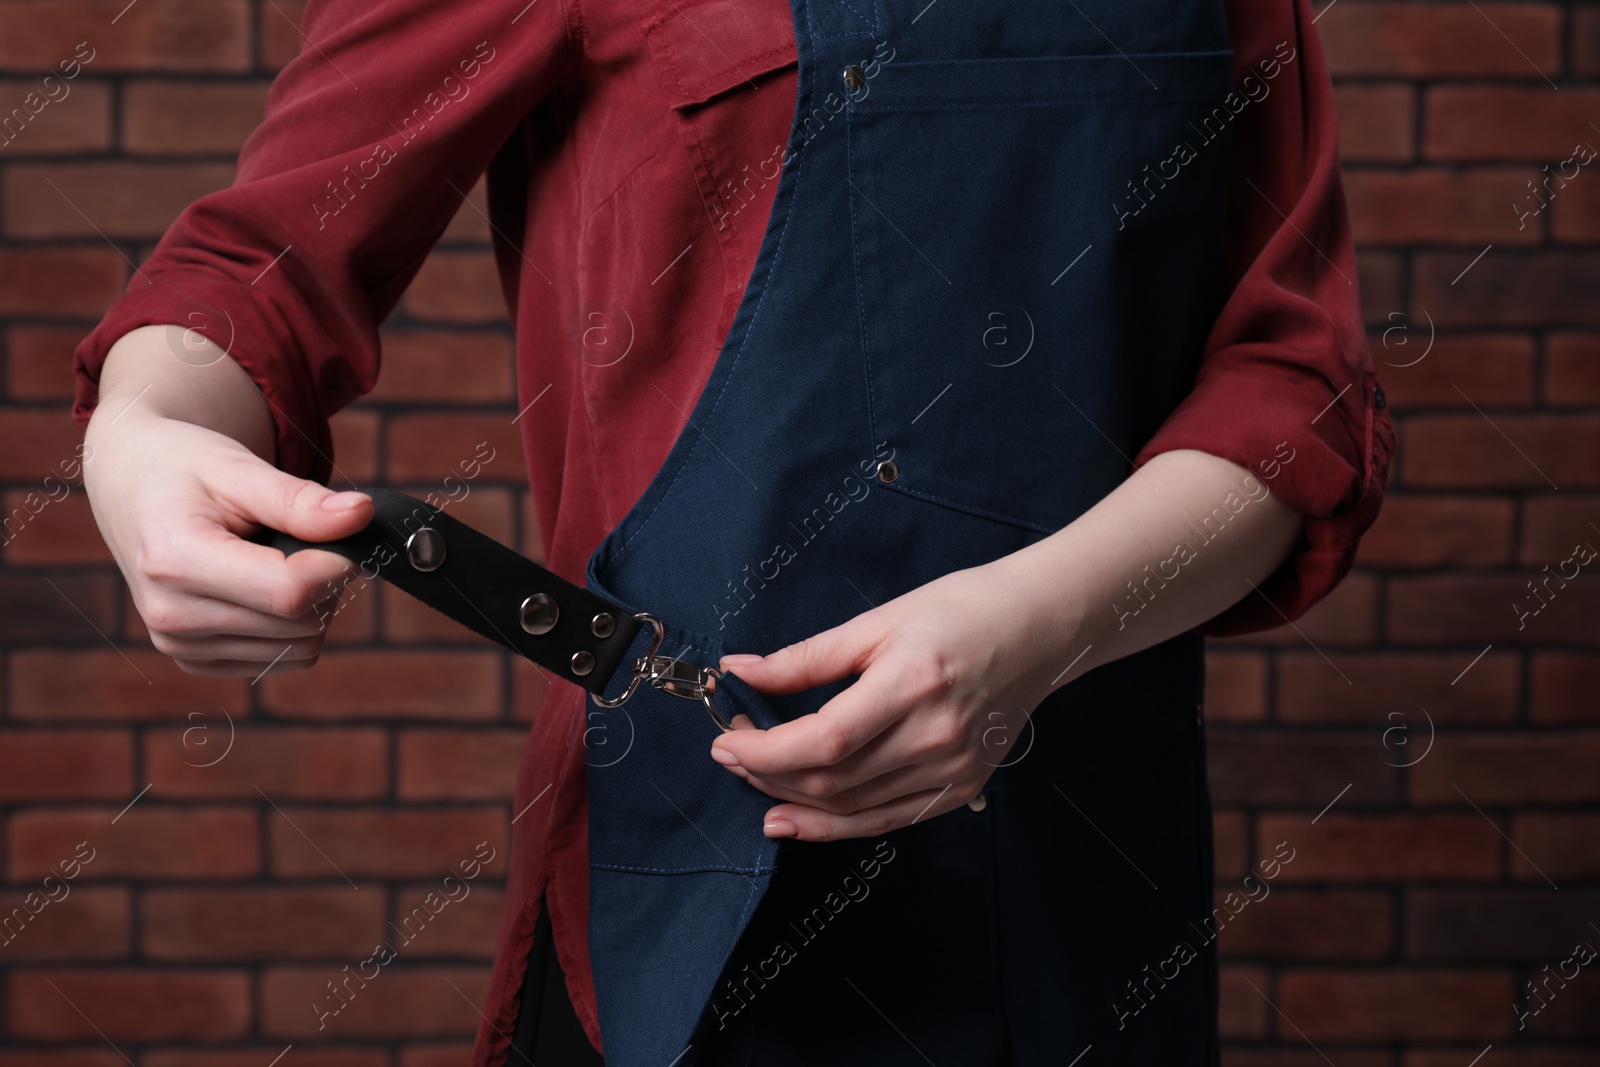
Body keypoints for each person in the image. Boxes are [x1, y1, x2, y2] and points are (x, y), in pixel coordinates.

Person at [71, 0, 1394, 1062]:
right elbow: (257, 267)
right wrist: (143, 434)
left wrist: (1047, 621)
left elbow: (1294, 393)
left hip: (1092, 902)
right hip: (695, 908)